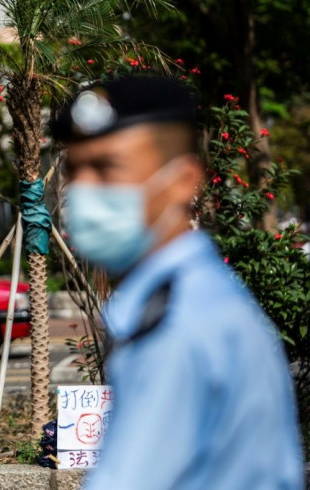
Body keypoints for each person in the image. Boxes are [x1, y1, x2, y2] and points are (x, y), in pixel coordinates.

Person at [50, 76, 303, 489]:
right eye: (75, 170)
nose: (83, 191)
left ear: (183, 181)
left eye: (107, 169)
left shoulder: (174, 324)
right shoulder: (198, 294)